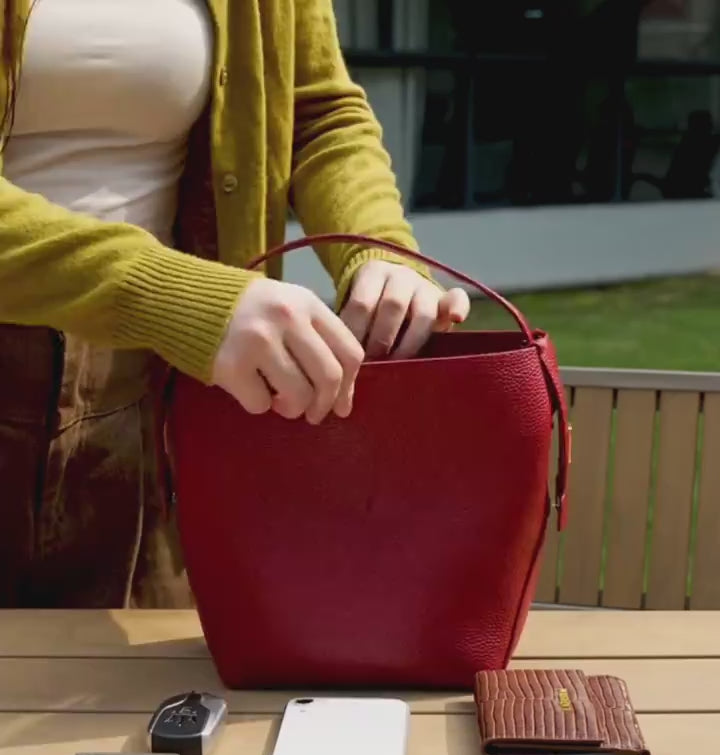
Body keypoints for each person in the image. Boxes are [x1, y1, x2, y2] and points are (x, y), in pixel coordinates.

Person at [0, 0, 470, 609]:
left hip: (158, 392)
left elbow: (316, 113)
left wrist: (376, 246)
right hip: (170, 329)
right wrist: (178, 297)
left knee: (148, 690)